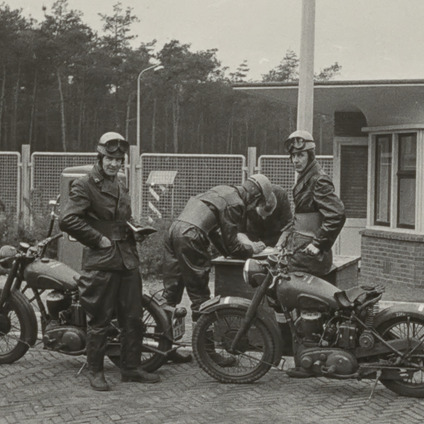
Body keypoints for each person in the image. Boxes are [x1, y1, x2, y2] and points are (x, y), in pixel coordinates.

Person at [59, 131, 160, 391]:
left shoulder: (119, 184)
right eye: (110, 159)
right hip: (102, 261)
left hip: (126, 258)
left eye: (119, 160)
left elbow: (122, 218)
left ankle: (130, 368)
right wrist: (98, 239)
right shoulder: (85, 185)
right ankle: (95, 371)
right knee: (100, 320)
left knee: (133, 317)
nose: (114, 164)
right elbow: (68, 220)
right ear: (100, 157)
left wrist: (136, 230)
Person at [161, 173, 276, 362]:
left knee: (170, 295)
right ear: (256, 196)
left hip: (175, 230)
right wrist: (252, 249)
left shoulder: (224, 190)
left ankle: (163, 349)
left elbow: (215, 233)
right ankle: (207, 353)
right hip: (190, 236)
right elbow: (233, 245)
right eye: (258, 202)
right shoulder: (236, 204)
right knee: (201, 298)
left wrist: (228, 251)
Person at [282, 130, 346, 277]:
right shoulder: (306, 177)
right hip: (300, 250)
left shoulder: (318, 180)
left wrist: (318, 243)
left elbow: (337, 214)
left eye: (300, 155)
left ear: (310, 156)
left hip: (309, 255)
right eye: (293, 156)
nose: (295, 160)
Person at [244, 183, 292, 248]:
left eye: (267, 215)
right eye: (261, 214)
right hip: (253, 237)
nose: (264, 218)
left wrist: (279, 245)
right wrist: (251, 244)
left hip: (275, 237)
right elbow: (240, 230)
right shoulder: (247, 198)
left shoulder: (281, 195)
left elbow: (289, 225)